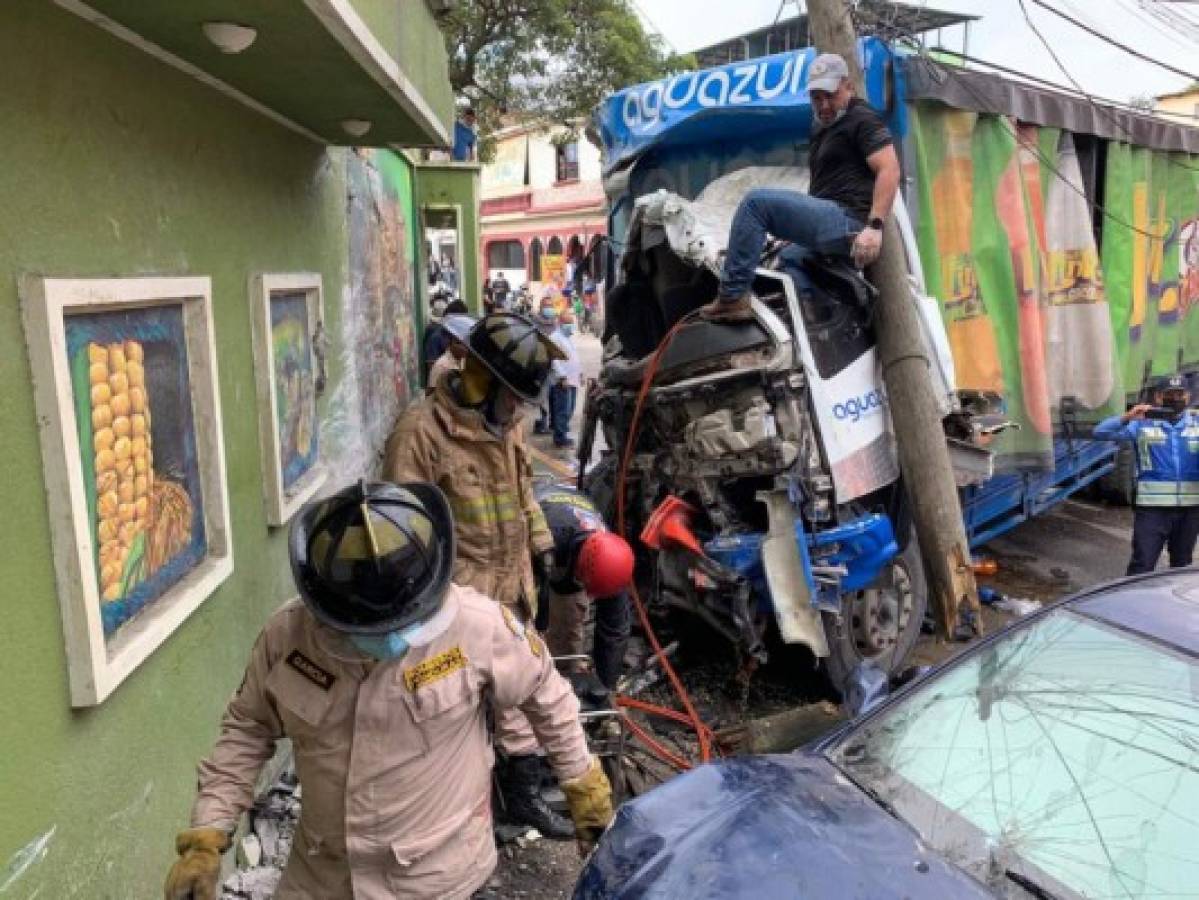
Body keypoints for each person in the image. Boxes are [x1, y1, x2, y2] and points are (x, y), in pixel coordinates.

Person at [163, 481, 611, 900]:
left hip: (436, 880)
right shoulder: (287, 638)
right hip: (322, 877)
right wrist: (209, 832)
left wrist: (583, 787)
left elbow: (546, 697)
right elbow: (248, 728)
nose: (392, 639)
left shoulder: (480, 626)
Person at [382, 313, 578, 838]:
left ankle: (521, 799)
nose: (519, 410)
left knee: (519, 692)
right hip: (457, 603)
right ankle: (464, 814)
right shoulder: (419, 435)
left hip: (512, 587)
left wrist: (542, 547)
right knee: (455, 709)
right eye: (512, 395)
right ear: (481, 380)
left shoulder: (505, 424)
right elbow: (402, 539)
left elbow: (523, 491)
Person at [700, 53, 900, 322]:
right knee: (789, 258)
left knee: (755, 205)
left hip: (848, 219)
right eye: (817, 98)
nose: (824, 104)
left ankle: (733, 296)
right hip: (831, 214)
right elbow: (823, 187)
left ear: (848, 87)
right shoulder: (821, 127)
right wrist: (794, 228)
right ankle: (821, 321)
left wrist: (875, 227)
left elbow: (889, 168)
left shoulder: (862, 118)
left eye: (830, 95)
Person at [1095, 374, 1199, 574]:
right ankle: (1134, 604)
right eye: (1169, 394)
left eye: (1180, 394)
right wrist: (1127, 417)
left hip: (1189, 510)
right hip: (1152, 510)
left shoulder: (1196, 424)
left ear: (1188, 396)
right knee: (1142, 564)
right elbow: (1100, 432)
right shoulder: (1142, 424)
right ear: (1158, 397)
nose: (1175, 399)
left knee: (1182, 567)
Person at [534, 482, 634, 690]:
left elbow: (614, 630)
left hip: (571, 536)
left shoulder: (613, 562)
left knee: (568, 623)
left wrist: (605, 688)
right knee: (522, 629)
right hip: (536, 524)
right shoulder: (549, 537)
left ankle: (562, 678)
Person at [549, 312, 582, 448]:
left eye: (571, 322)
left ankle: (563, 434)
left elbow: (573, 357)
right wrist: (562, 376)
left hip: (572, 380)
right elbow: (554, 360)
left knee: (569, 409)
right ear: (560, 323)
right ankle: (560, 437)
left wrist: (580, 373)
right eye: (567, 323)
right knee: (562, 410)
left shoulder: (567, 338)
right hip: (562, 381)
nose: (570, 326)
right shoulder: (555, 338)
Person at [428, 313, 476, 389]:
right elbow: (432, 393)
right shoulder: (441, 366)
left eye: (468, 344)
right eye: (461, 343)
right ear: (450, 342)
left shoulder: (464, 360)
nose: (466, 348)